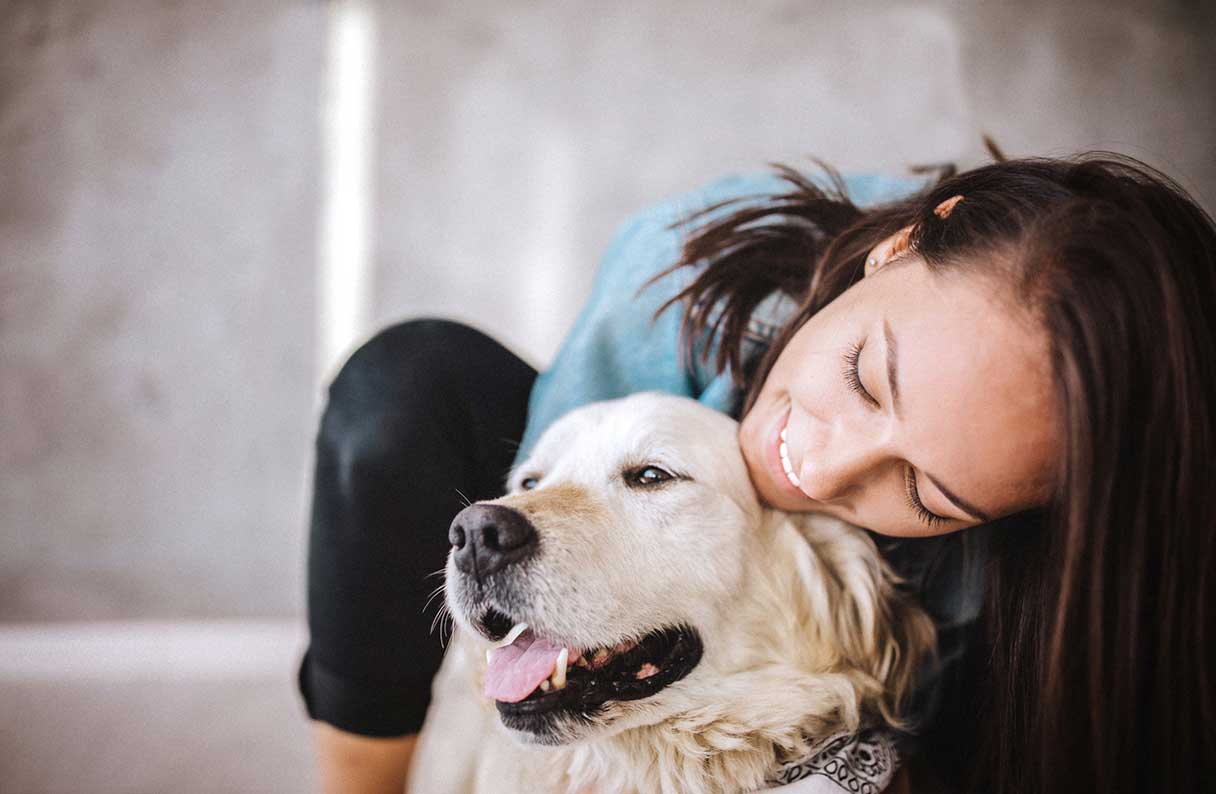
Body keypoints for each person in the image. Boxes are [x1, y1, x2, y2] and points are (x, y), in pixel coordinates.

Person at [297, 150, 1216, 794]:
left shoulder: (1022, 566)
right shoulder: (679, 272)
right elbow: (557, 491)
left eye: (925, 493)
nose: (820, 467)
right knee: (403, 391)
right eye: (862, 375)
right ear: (901, 248)